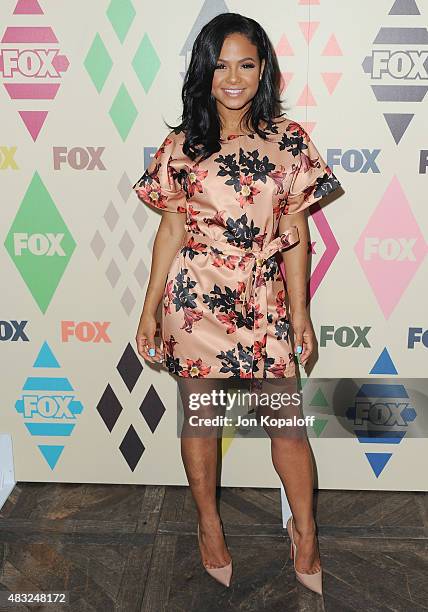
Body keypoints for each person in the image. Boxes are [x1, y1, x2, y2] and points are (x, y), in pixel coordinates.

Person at [133, 13, 341, 594]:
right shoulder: (183, 144)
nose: (233, 77)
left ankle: (306, 532)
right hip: (195, 301)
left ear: (263, 70)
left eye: (246, 64)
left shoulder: (289, 140)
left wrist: (300, 313)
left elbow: (296, 232)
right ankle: (208, 526)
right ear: (204, 70)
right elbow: (170, 232)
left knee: (287, 425)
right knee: (200, 420)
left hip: (265, 298)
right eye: (221, 64)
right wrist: (149, 309)